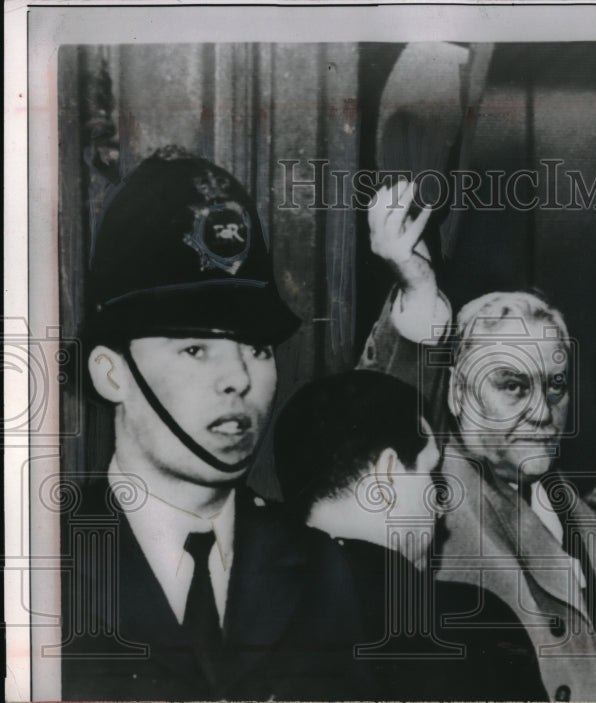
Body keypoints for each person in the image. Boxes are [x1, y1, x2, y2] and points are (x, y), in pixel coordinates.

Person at [61, 147, 376, 700]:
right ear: (112, 374)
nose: (238, 378)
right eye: (194, 349)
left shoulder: (330, 573)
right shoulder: (37, 569)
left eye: (256, 348)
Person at [358, 181, 596, 701]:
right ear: (460, 394)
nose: (542, 411)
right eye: (512, 385)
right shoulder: (435, 495)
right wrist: (418, 292)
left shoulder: (581, 509)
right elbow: (379, 417)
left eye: (554, 386)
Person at [273, 369, 548, 701]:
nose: (439, 507)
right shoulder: (471, 624)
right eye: (431, 473)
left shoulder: (240, 616)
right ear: (386, 475)